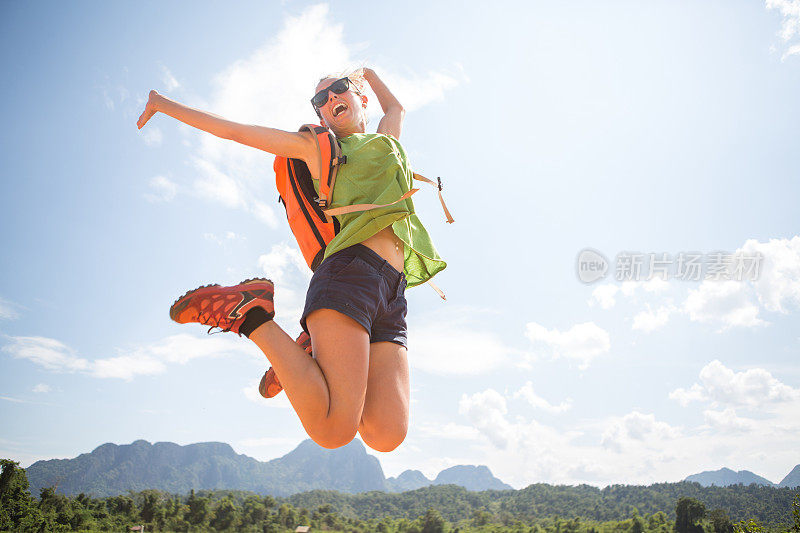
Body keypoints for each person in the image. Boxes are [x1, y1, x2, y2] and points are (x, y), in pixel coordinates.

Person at [136, 68, 446, 452]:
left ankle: (311, 353)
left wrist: (367, 73)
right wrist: (163, 104)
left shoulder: (386, 144)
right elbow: (235, 131)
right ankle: (250, 314)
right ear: (320, 116)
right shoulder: (321, 151)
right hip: (351, 274)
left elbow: (396, 107)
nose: (331, 99)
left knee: (387, 434)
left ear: (360, 98)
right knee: (334, 431)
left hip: (392, 292)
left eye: (338, 90)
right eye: (321, 100)